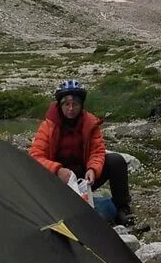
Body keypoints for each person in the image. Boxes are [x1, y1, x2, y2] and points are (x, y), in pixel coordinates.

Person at [29, 80, 135, 226]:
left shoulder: (90, 123)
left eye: (75, 104)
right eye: (66, 104)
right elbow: (35, 156)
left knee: (116, 161)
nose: (71, 108)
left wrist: (93, 169)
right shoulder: (48, 125)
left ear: (81, 105)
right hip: (57, 179)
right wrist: (58, 170)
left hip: (83, 177)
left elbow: (97, 151)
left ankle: (122, 210)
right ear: (60, 106)